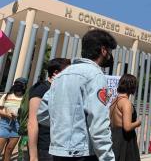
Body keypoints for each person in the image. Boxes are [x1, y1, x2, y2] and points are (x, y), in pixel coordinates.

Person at [37, 29, 117, 161]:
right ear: (103, 50)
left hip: (58, 151)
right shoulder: (96, 75)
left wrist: (64, 125)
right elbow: (98, 125)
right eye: (109, 51)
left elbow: (42, 114)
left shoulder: (60, 76)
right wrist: (108, 158)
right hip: (83, 153)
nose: (110, 55)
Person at [28, 58, 71, 161]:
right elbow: (32, 123)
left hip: (59, 146)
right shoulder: (41, 89)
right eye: (68, 72)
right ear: (56, 73)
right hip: (45, 147)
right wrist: (33, 156)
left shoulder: (60, 89)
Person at [110, 74, 141, 161]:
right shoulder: (126, 103)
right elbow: (127, 127)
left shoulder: (114, 101)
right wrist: (138, 123)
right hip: (125, 141)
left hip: (114, 137)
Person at [0, 77, 27, 161]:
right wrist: (6, 114)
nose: (18, 85)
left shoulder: (26, 98)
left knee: (9, 150)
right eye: (17, 83)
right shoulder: (6, 95)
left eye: (21, 84)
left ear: (24, 86)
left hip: (17, 126)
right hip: (4, 124)